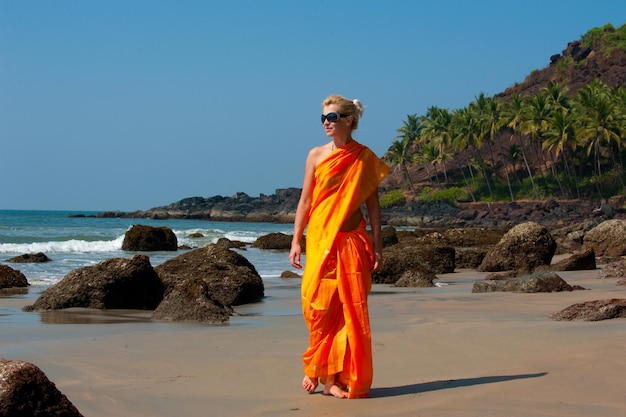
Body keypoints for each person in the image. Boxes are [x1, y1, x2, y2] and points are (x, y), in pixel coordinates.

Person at [289, 94, 390, 399]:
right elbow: (305, 200)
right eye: (322, 118)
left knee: (349, 312)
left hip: (352, 242)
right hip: (320, 241)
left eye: (331, 118)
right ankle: (319, 365)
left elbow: (373, 207)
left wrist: (378, 245)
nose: (325, 124)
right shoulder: (316, 155)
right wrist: (296, 240)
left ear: (348, 121)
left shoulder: (363, 159)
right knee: (317, 308)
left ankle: (335, 378)